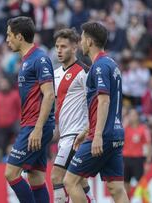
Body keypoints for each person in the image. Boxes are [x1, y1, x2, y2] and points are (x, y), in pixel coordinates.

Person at [63, 22, 129, 203]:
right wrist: (85, 131)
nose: (81, 42)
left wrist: (96, 134)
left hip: (103, 135)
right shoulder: (112, 64)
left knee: (70, 181)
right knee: (116, 188)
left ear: (90, 41)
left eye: (83, 38)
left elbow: (104, 100)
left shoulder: (99, 66)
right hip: (116, 134)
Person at [4, 16, 55, 203]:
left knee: (11, 173)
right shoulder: (26, 60)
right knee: (35, 177)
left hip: (35, 126)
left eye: (9, 35)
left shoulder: (39, 58)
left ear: (19, 36)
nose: (7, 39)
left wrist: (38, 128)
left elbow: (49, 95)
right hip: (32, 124)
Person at [51, 28, 94, 203]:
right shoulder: (55, 74)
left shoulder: (84, 72)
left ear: (75, 47)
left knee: (56, 177)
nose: (59, 50)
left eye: (64, 46)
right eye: (57, 47)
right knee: (80, 181)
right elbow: (59, 105)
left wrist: (88, 130)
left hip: (76, 134)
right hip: (64, 135)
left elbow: (94, 102)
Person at [123, 108, 152, 197]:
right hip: (125, 160)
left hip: (138, 160)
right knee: (125, 185)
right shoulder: (125, 129)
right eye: (130, 115)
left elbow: (149, 146)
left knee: (142, 185)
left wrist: (148, 162)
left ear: (137, 117)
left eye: (134, 115)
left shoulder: (143, 129)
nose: (132, 117)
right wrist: (124, 123)